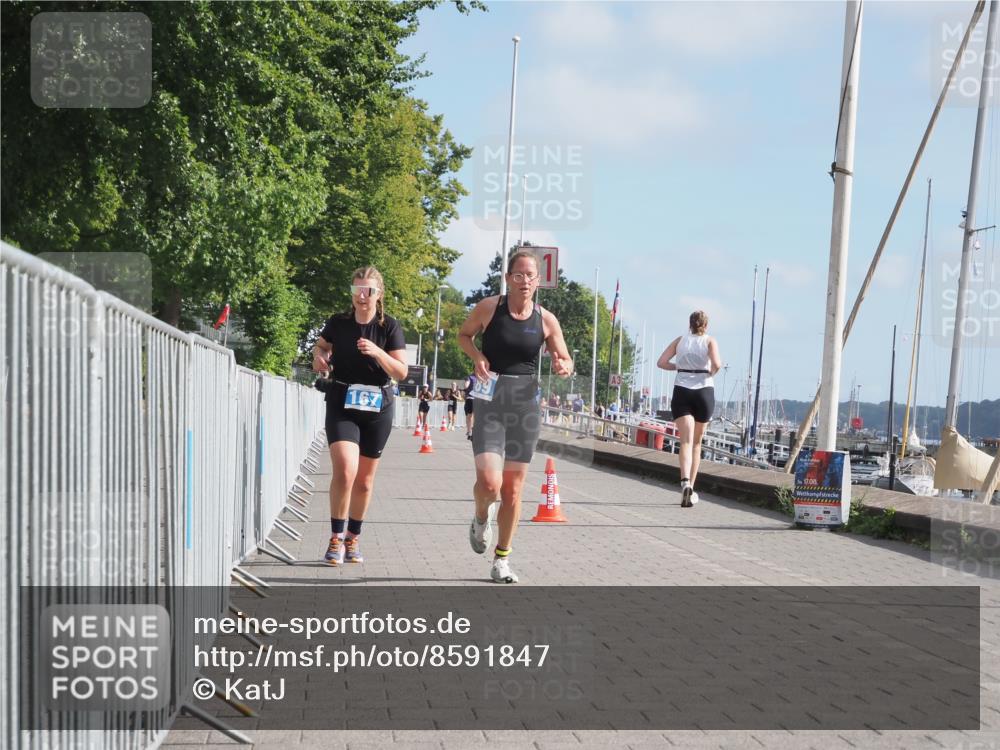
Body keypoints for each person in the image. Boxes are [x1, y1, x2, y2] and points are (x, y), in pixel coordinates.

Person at [458, 250, 573, 583]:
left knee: (512, 490)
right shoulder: (489, 308)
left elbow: (564, 357)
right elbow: (463, 335)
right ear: (508, 278)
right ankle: (481, 517)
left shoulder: (546, 319)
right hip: (490, 401)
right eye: (519, 275)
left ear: (539, 281)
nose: (525, 281)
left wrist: (564, 365)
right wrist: (478, 355)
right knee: (490, 485)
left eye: (531, 276)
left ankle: (502, 560)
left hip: (524, 406)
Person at [313, 266, 408, 563]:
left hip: (377, 406)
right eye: (357, 291)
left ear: (379, 295)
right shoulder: (339, 323)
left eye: (368, 291)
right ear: (352, 293)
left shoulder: (389, 327)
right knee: (345, 470)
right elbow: (321, 347)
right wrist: (319, 357)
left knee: (365, 481)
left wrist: (378, 353)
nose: (362, 296)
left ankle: (353, 538)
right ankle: (335, 537)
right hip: (342, 400)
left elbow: (401, 372)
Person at [657, 310, 722, 508]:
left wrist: (679, 367)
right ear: (706, 325)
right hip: (704, 391)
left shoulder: (680, 340)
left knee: (684, 441)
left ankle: (684, 481)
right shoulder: (710, 341)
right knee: (696, 443)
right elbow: (717, 364)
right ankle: (691, 487)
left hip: (682, 390)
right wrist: (708, 373)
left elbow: (661, 363)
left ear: (690, 324)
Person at [463, 372, 476, 440]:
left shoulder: (469, 377)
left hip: (471, 398)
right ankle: (470, 431)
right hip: (475, 399)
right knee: (472, 416)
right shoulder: (482, 376)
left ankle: (469, 431)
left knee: (469, 416)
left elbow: (465, 386)